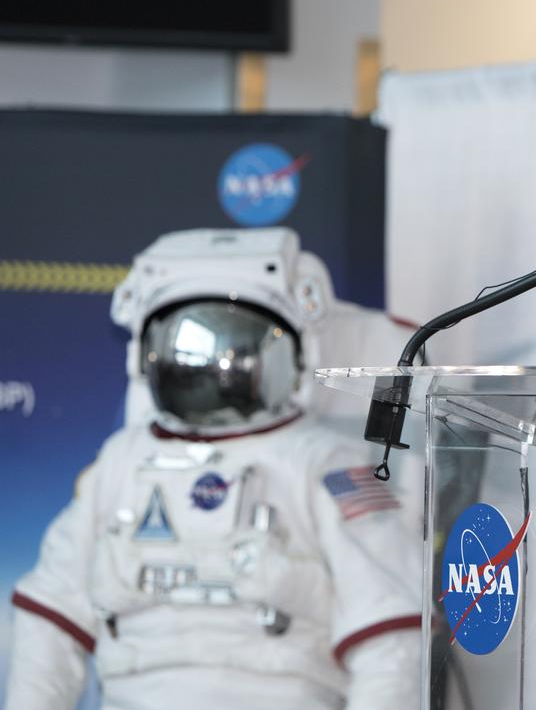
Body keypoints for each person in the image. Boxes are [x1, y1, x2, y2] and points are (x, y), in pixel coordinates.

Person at [5, 228, 423, 710]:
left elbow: (390, 629)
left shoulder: (325, 465)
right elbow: (51, 617)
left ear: (295, 355)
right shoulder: (121, 464)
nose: (213, 376)